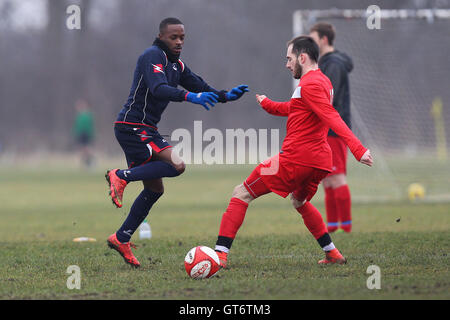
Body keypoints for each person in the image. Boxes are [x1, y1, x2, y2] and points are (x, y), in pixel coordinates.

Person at [213, 36, 372, 268]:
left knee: (241, 193)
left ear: (303, 57)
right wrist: (267, 104)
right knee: (299, 201)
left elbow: (331, 117)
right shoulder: (321, 81)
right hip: (319, 162)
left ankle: (220, 255)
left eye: (289, 59)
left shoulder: (310, 84)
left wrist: (358, 149)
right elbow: (295, 108)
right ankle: (332, 253)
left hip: (295, 159)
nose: (287, 64)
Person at [105, 17, 249, 268]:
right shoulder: (152, 56)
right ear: (161, 36)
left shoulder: (177, 66)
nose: (179, 41)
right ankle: (121, 175)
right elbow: (159, 88)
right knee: (177, 165)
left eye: (182, 37)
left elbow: (200, 85)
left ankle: (121, 237)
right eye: (174, 37)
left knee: (154, 190)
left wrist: (225, 95)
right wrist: (190, 97)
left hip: (144, 128)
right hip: (132, 126)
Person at [309, 23, 354, 233]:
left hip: (334, 128)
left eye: (313, 38)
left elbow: (328, 97)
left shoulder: (334, 64)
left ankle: (346, 226)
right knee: (326, 178)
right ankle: (333, 226)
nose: (311, 42)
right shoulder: (325, 62)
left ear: (324, 39)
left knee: (337, 176)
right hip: (324, 129)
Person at [72, 99, 95, 168]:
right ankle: (85, 163)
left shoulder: (87, 115)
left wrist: (91, 134)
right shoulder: (79, 116)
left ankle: (91, 162)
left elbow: (90, 126)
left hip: (86, 134)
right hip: (81, 134)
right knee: (82, 150)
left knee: (86, 149)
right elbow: (77, 126)